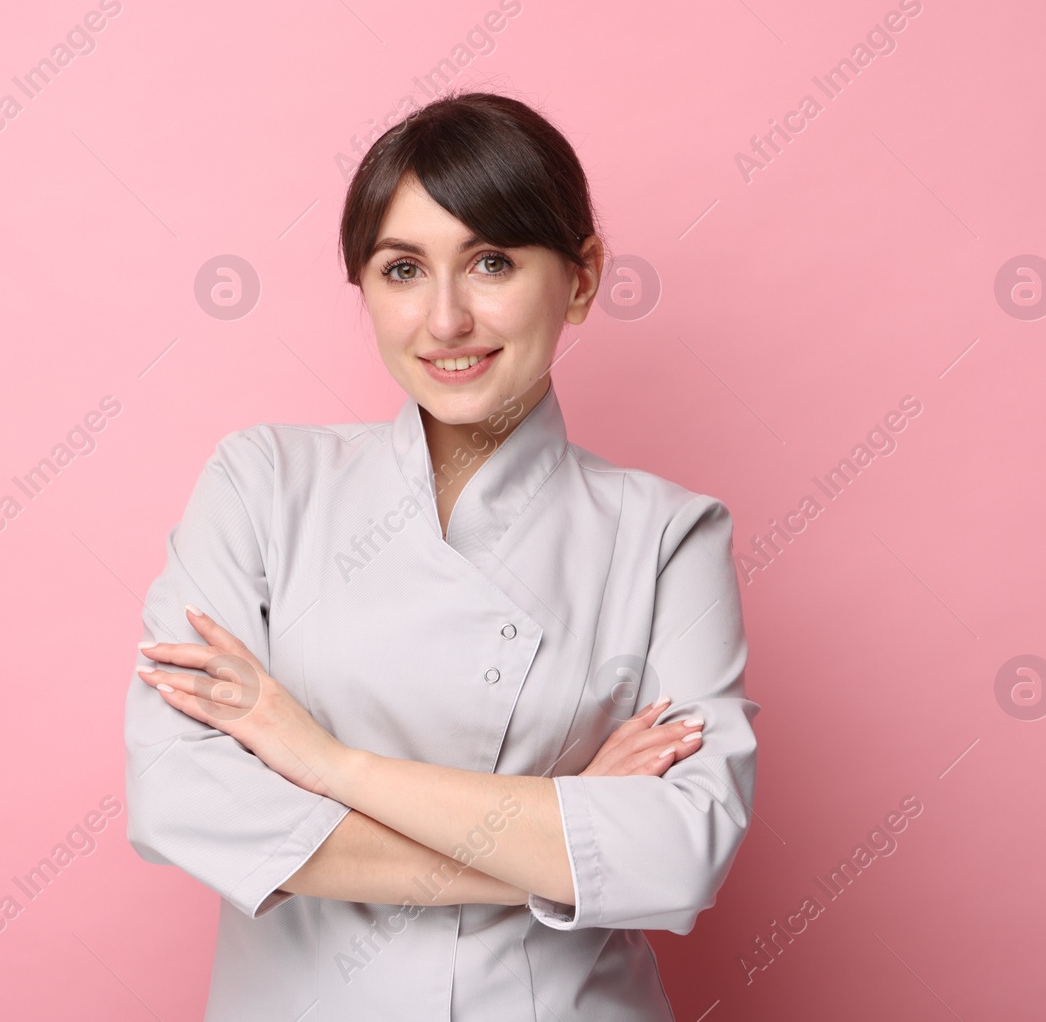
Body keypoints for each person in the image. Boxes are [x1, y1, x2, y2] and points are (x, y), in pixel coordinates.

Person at [126, 90, 759, 1021]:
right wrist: (560, 824)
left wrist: (325, 762)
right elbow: (176, 795)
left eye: (492, 261)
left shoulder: (667, 536)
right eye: (403, 269)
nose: (447, 318)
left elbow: (680, 854)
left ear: (582, 277)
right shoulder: (263, 482)